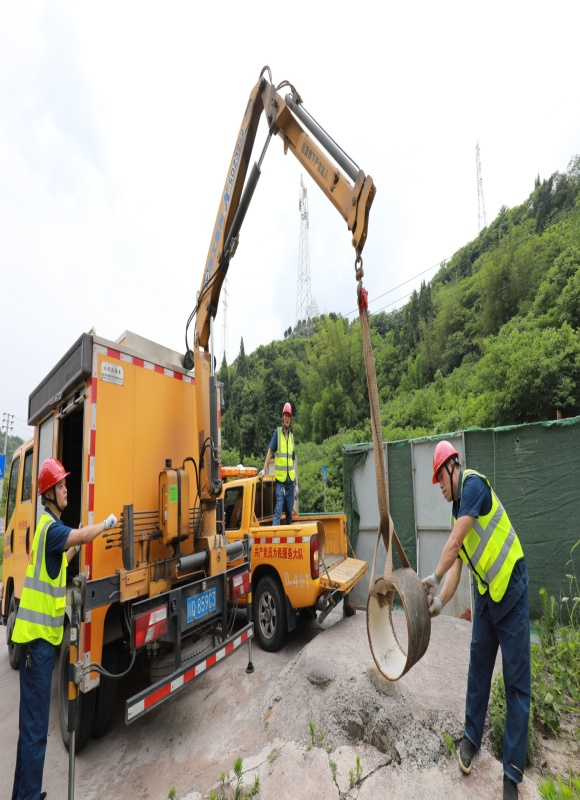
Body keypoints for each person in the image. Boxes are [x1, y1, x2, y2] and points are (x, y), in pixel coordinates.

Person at [422, 441, 530, 800]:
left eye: (440, 477)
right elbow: (457, 566)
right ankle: (471, 740)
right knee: (478, 667)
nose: (439, 485)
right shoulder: (459, 513)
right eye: (436, 480)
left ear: (453, 466)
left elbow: (452, 546)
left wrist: (432, 576)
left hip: (511, 589)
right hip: (487, 595)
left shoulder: (473, 486)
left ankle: (512, 774)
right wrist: (439, 600)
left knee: (516, 684)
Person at [11, 458, 117, 800]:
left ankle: (25, 794)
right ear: (49, 493)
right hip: (38, 646)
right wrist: (104, 525)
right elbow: (78, 535)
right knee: (34, 730)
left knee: (34, 729)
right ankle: (27, 796)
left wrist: (80, 546)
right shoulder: (52, 528)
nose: (66, 488)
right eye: (61, 485)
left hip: (36, 644)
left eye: (65, 484)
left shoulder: (45, 529)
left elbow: (64, 557)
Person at [259, 402, 298, 525]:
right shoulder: (278, 433)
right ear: (282, 417)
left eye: (289, 416)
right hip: (281, 482)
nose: (287, 418)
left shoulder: (291, 437)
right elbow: (270, 451)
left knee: (289, 513)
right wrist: (264, 470)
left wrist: (296, 483)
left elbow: (292, 461)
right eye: (285, 415)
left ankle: (288, 540)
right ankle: (274, 536)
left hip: (290, 482)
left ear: (291, 418)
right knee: (278, 510)